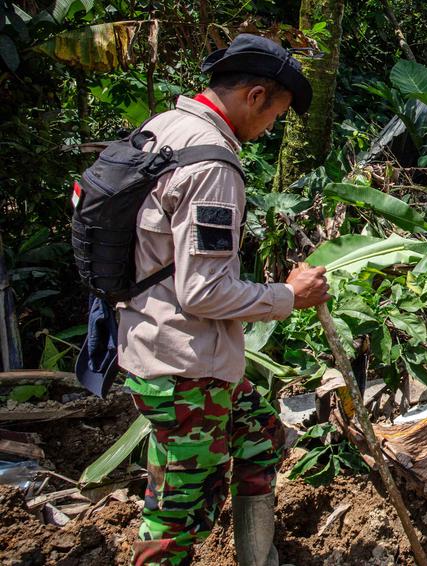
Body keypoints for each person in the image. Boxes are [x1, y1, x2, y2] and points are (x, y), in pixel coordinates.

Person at [118, 34, 330, 566]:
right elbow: (204, 290)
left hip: (156, 345)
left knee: (260, 434)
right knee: (175, 520)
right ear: (256, 96)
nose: (271, 128)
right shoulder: (213, 164)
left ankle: (257, 557)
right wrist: (288, 295)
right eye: (276, 115)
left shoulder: (161, 130)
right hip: (186, 368)